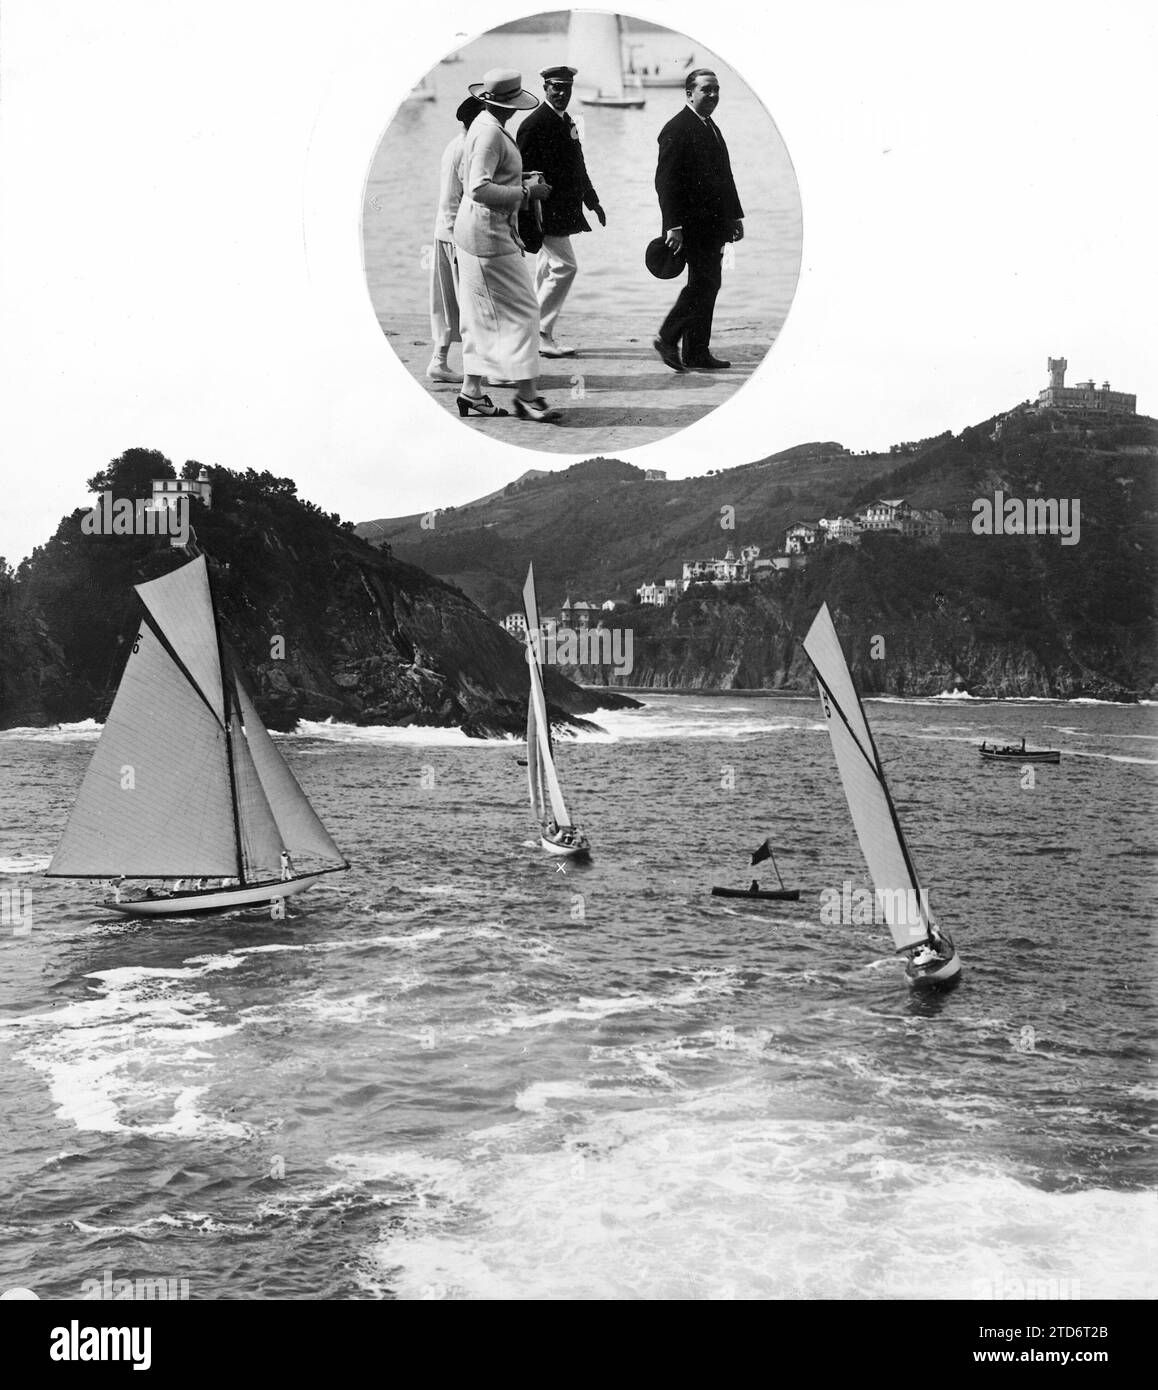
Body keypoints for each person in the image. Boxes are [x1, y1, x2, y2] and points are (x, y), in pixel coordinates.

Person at [453, 68, 562, 422]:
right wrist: (527, 192)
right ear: (510, 104)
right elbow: (479, 189)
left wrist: (518, 180)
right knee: (525, 312)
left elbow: (482, 180)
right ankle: (528, 397)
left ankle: (472, 392)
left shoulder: (485, 125)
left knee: (480, 315)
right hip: (489, 239)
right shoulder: (490, 134)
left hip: (473, 235)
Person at [652, 69, 744, 372]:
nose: (713, 95)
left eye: (716, 89)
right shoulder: (677, 128)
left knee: (707, 283)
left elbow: (724, 177)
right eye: (707, 90)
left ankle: (696, 352)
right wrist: (673, 227)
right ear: (689, 93)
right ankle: (668, 338)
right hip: (691, 226)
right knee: (704, 284)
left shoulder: (709, 126)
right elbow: (665, 183)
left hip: (715, 225)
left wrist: (734, 216)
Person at [515, 65, 606, 358]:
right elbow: (522, 174)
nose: (562, 93)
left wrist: (592, 200)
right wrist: (528, 217)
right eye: (556, 87)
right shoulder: (533, 124)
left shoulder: (567, 120)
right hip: (545, 212)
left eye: (566, 87)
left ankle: (539, 333)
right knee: (566, 267)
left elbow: (578, 165)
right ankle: (539, 330)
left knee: (546, 270)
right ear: (545, 88)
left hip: (565, 210)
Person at [427, 97, 486, 384]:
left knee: (446, 302)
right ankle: (479, 369)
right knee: (471, 303)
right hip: (457, 236)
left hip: (442, 231)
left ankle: (439, 360)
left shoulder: (454, 144)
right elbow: (475, 193)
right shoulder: (467, 149)